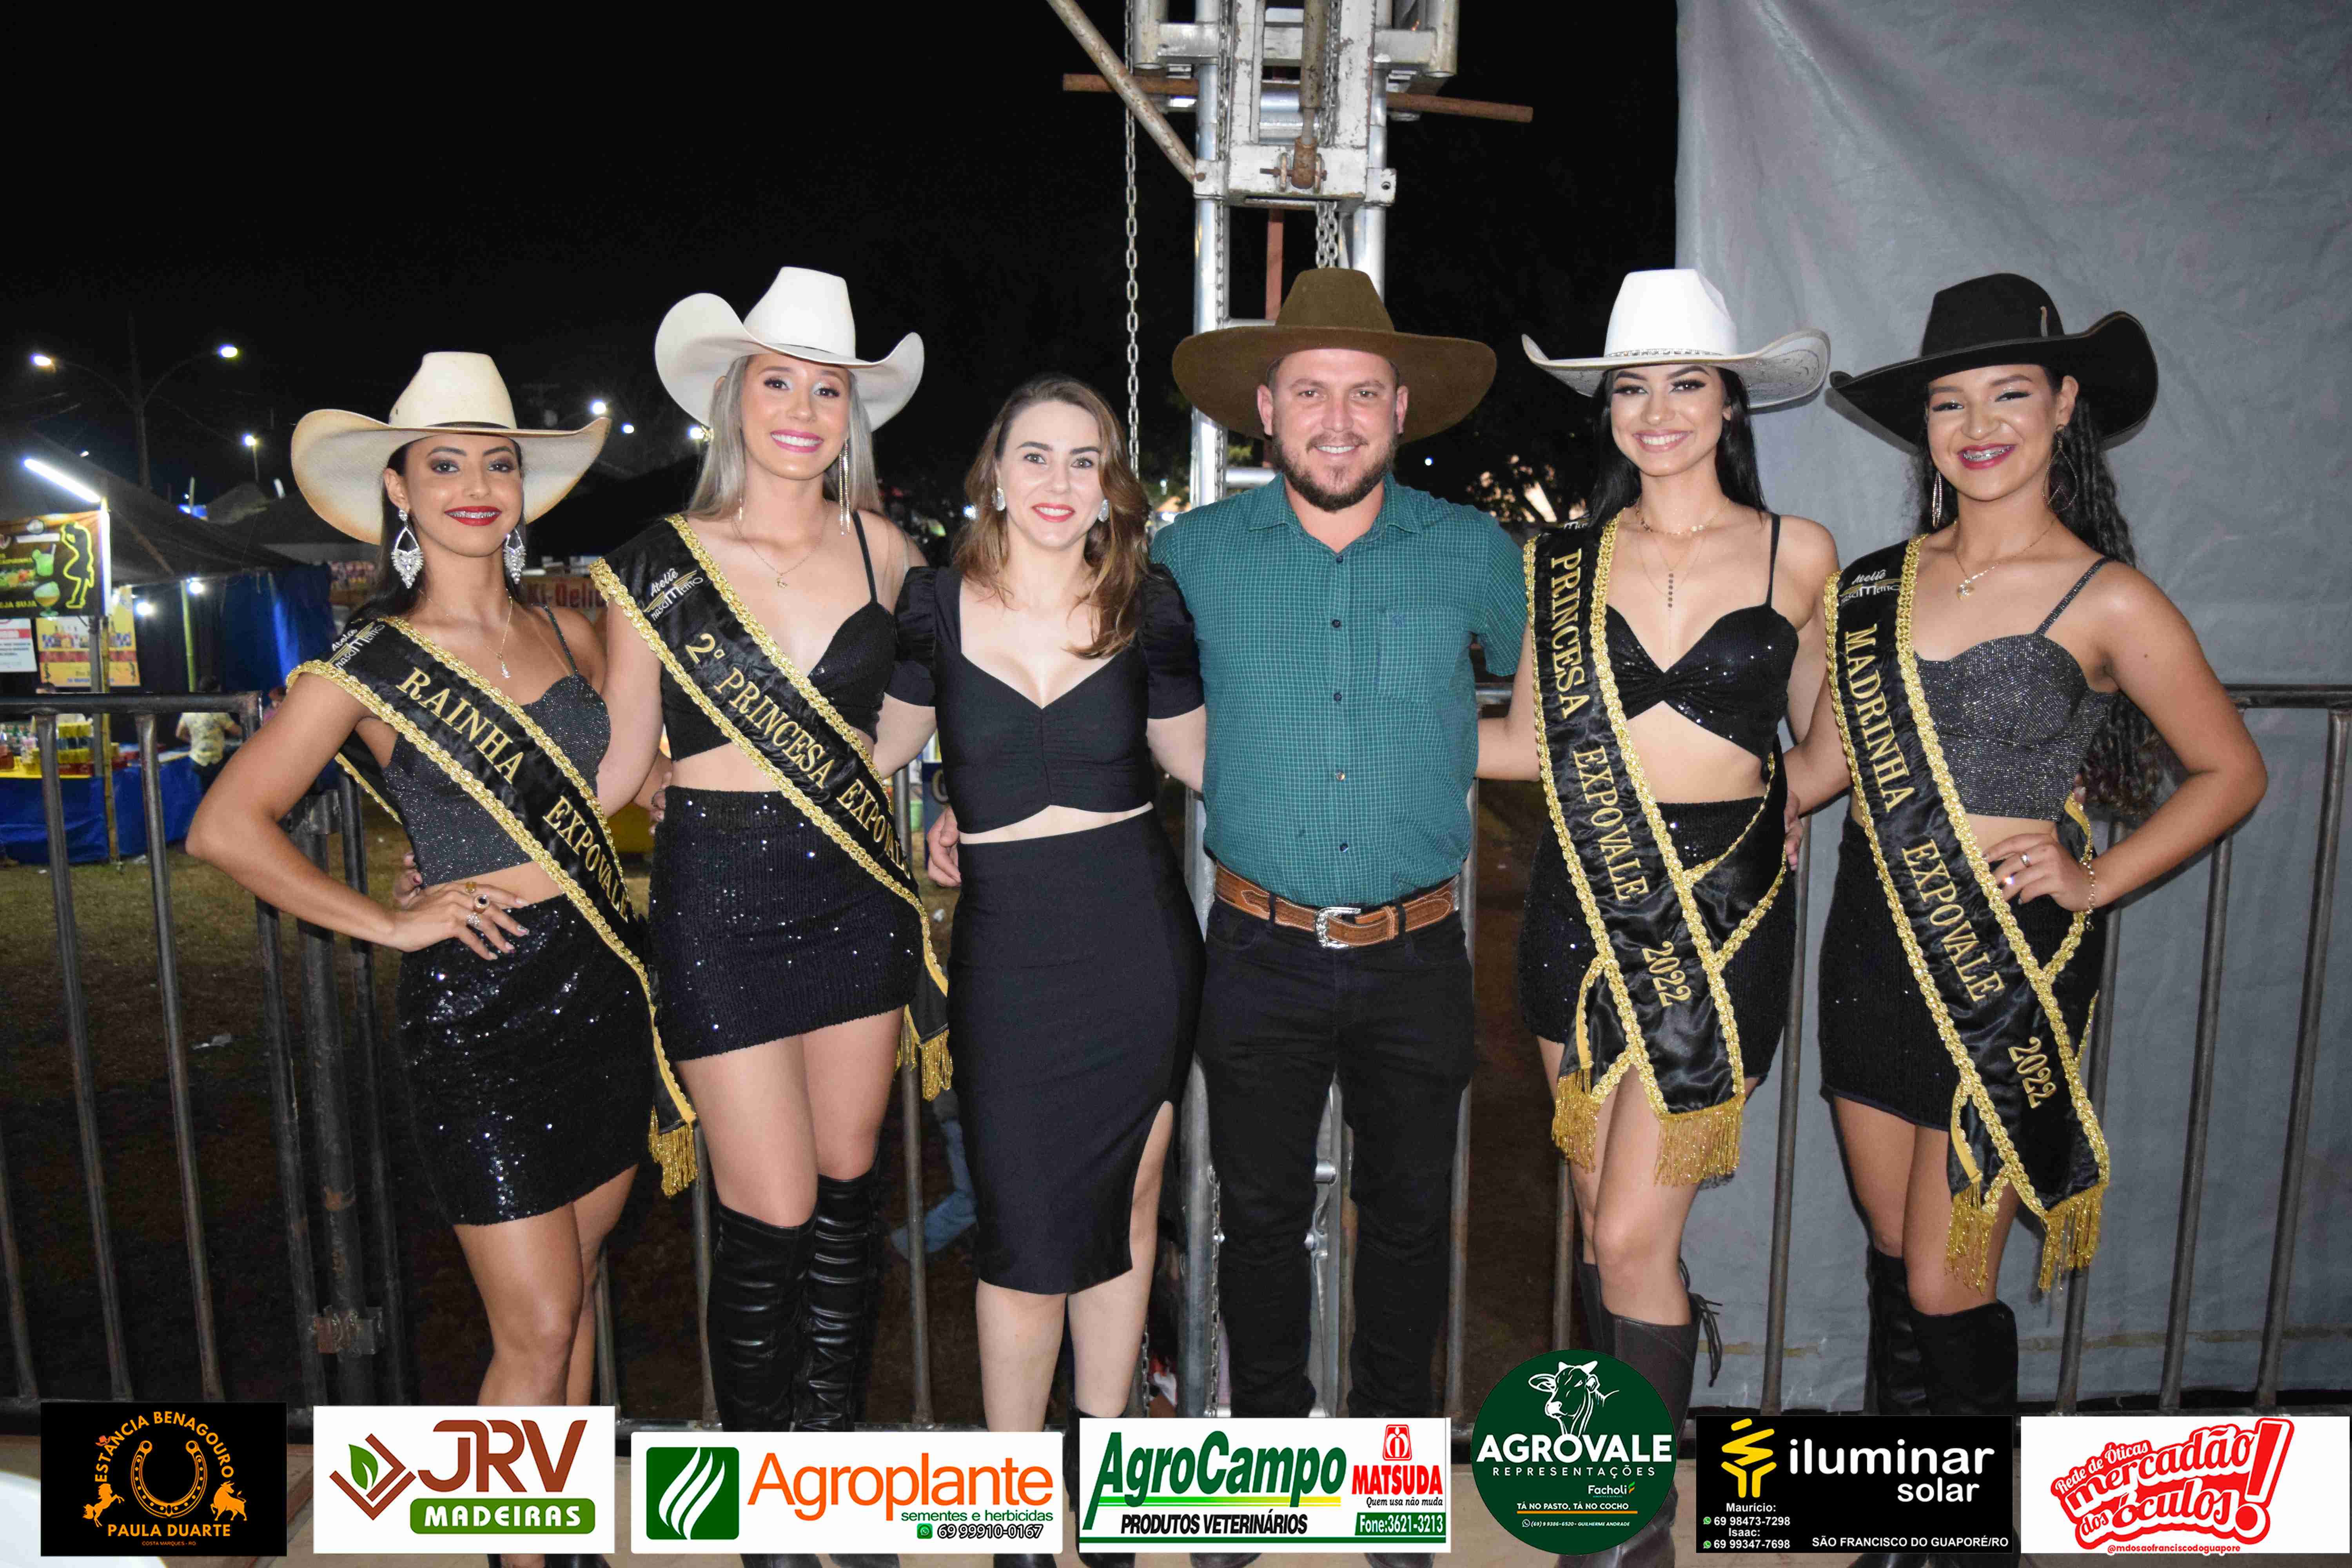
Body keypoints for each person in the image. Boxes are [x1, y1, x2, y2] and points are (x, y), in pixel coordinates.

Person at [931, 272, 1518, 1568]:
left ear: (1401, 409)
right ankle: (1261, 1478)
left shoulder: (1478, 553)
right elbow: (1104, 694)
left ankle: (1390, 1494)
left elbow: (1560, 704)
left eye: (1362, 393)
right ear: (1266, 409)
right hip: (1253, 947)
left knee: (1409, 1230)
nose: (1336, 417)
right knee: (1254, 1227)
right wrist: (970, 801)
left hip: (1419, 950)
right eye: (1309, 391)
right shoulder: (1187, 561)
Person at [188, 353, 687, 1568]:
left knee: (574, 1298)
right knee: (537, 1326)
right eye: (445, 463)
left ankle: (553, 1539)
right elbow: (226, 826)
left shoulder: (571, 628)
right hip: (477, 1011)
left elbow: (631, 782)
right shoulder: (367, 666)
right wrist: (388, 920)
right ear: (398, 491)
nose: (476, 484)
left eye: (498, 462)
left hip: (601, 987)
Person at [1787, 275, 2266, 1443]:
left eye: (2008, 393)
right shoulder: (1869, 587)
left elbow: (2231, 770)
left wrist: (2096, 879)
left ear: (2063, 405)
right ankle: (1909, 1504)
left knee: (1948, 1274)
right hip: (1870, 943)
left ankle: (1973, 1517)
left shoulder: (2110, 598)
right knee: (1894, 1247)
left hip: (2005, 964)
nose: (1978, 424)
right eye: (1948, 402)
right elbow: (1815, 770)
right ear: (1924, 428)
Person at [1484, 270, 1838, 1568]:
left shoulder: (1799, 552)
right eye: (1632, 388)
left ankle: (1632, 1530)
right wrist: (1391, 736)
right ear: (1610, 409)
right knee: (1606, 1235)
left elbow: (1835, 740)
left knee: (1635, 1234)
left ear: (1730, 401)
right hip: (1581, 906)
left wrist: (1778, 806)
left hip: (1722, 921)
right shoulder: (1564, 563)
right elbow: (1528, 744)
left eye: (1687, 382)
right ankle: (1617, 1496)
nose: (1659, 410)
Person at [592, 268, 944, 1568]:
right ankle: (761, 1506)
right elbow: (617, 764)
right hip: (720, 902)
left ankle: (829, 1473)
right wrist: (484, 856)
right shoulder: (655, 563)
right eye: (778, 382)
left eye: (826, 389)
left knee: (850, 1191)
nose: (801, 409)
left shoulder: (889, 552)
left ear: (854, 413)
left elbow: (911, 715)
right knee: (774, 1210)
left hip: (853, 892)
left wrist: (885, 785)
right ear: (734, 401)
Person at [877, 375, 1205, 1568]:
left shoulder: (1149, 605)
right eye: (1035, 456)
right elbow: (865, 749)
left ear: (1110, 484)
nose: (1059, 481)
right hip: (1009, 948)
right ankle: (1013, 1511)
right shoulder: (930, 605)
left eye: (1084, 459)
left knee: (1125, 1209)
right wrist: (685, 778)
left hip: (1136, 940)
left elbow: (1208, 761)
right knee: (1018, 1228)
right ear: (994, 476)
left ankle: (1111, 1488)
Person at [177, 676, 242, 789]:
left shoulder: (189, 710)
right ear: (216, 691)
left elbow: (179, 734)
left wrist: (195, 742)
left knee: (203, 793)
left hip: (196, 761)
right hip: (214, 762)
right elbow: (237, 732)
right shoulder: (217, 711)